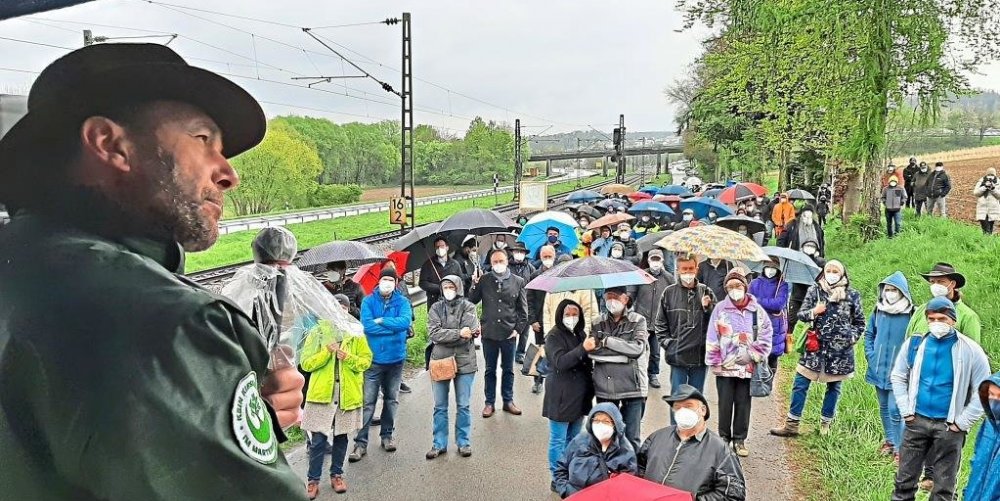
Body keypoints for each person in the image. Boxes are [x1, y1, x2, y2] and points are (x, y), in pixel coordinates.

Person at [0, 43, 309, 497]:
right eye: (203, 140)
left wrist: (224, 419)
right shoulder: (171, 325)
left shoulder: (22, 267)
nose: (228, 174)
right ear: (110, 144)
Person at [890, 297, 991, 501]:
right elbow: (898, 375)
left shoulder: (970, 350)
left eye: (942, 318)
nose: (937, 323)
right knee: (903, 483)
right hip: (916, 421)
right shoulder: (915, 345)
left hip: (948, 427)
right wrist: (906, 410)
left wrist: (962, 423)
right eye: (932, 318)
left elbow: (984, 390)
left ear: (953, 320)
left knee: (944, 489)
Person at [771, 260, 865, 438]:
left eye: (835, 270)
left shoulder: (852, 295)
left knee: (834, 387)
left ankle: (825, 426)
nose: (831, 273)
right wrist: (814, 311)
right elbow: (802, 314)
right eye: (828, 270)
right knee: (800, 383)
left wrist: (850, 338)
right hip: (814, 347)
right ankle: (791, 425)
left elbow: (860, 324)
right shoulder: (815, 291)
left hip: (839, 353)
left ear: (843, 274)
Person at [300, 311, 373, 498]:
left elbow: (366, 362)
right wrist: (326, 352)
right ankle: (313, 480)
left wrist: (347, 357)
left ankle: (337, 475)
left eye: (343, 308)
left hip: (347, 395)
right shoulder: (318, 332)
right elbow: (306, 364)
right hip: (322, 395)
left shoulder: (356, 333)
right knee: (318, 440)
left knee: (342, 438)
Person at [705, 270, 773, 457]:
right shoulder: (720, 309)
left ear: (744, 286)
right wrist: (715, 362)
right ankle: (724, 439)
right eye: (730, 287)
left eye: (738, 286)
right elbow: (712, 336)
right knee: (725, 404)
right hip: (726, 367)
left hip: (747, 367)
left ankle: (740, 439)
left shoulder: (756, 311)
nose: (734, 290)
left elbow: (766, 335)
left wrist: (754, 354)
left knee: (743, 404)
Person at [638, 385, 746, 500]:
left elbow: (732, 495)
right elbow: (638, 470)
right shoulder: (657, 438)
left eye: (688, 406)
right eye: (677, 407)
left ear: (703, 410)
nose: (682, 411)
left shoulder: (721, 451)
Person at [350, 269, 413, 462]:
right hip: (373, 360)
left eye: (391, 280)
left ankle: (387, 436)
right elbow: (367, 326)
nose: (387, 283)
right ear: (379, 282)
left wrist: (384, 321)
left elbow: (404, 322)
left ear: (395, 283)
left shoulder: (402, 302)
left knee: (391, 399)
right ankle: (360, 443)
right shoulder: (369, 301)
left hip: (395, 359)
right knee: (368, 403)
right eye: (384, 279)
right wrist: (392, 329)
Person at [543, 299, 597, 491]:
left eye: (575, 314)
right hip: (561, 395)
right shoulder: (553, 336)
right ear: (560, 315)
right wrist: (583, 348)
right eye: (568, 314)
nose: (572, 318)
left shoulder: (581, 333)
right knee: (558, 439)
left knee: (574, 439)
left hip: (580, 396)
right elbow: (560, 362)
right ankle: (557, 477)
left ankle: (570, 473)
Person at [468, 248, 529, 418]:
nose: (498, 264)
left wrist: (517, 330)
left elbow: (523, 311)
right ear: (491, 263)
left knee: (508, 369)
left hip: (509, 334)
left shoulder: (518, 281)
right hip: (489, 333)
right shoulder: (485, 280)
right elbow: (471, 300)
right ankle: (489, 402)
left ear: (507, 261)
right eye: (495, 262)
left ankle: (508, 401)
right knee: (490, 370)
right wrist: (474, 283)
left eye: (501, 261)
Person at [426, 275, 480, 460]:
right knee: (440, 406)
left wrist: (453, 334)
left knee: (463, 405)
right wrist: (458, 333)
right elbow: (434, 334)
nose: (448, 290)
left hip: (465, 361)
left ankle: (463, 442)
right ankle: (438, 443)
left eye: (451, 286)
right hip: (441, 360)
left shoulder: (469, 307)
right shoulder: (435, 308)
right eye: (445, 286)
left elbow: (470, 331)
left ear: (458, 287)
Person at [589, 287, 650, 450]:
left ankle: (632, 473)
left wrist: (607, 341)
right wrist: (623, 355)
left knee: (632, 438)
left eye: (615, 297)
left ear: (625, 299)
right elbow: (593, 351)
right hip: (605, 387)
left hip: (632, 386)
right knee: (605, 435)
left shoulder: (638, 320)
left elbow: (637, 349)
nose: (611, 301)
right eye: (608, 297)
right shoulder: (597, 322)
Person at [863, 272, 913, 461]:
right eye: (888, 289)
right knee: (884, 406)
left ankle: (901, 450)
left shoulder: (911, 312)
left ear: (903, 292)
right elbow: (869, 334)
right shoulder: (878, 310)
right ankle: (890, 441)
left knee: (895, 409)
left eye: (894, 290)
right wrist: (871, 355)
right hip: (878, 368)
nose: (890, 293)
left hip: (899, 372)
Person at [654, 254, 716, 397]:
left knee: (696, 398)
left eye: (691, 269)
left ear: (696, 269)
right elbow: (660, 323)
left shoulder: (706, 292)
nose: (688, 272)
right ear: (677, 270)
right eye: (684, 269)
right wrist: (669, 344)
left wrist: (708, 308)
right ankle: (675, 421)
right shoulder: (669, 293)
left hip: (700, 355)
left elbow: (717, 323)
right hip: (677, 355)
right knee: (678, 398)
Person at [552, 404, 638, 499]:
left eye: (606, 421)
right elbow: (561, 469)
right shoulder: (579, 441)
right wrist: (566, 491)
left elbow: (628, 486)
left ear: (615, 424)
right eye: (596, 420)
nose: (600, 425)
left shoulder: (625, 452)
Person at [627, 249, 672, 390]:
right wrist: (628, 306)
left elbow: (673, 298)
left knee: (655, 351)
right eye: (653, 259)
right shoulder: (641, 275)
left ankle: (653, 374)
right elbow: (631, 293)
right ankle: (635, 374)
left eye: (658, 259)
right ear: (649, 260)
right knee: (638, 349)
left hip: (659, 322)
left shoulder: (669, 278)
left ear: (662, 260)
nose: (655, 262)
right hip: (642, 320)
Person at [905, 263, 981, 344]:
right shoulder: (920, 310)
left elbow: (972, 351)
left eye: (941, 281)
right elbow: (908, 342)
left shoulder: (968, 316)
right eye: (932, 282)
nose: (935, 285)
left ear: (952, 284)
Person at [748, 257, 791, 371]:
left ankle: (769, 388)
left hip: (775, 329)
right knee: (756, 362)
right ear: (763, 267)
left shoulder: (782, 285)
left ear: (778, 269)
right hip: (757, 326)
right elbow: (748, 302)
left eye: (774, 268)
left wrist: (758, 301)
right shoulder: (754, 283)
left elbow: (779, 304)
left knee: (772, 365)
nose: (770, 270)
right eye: (768, 267)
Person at [963, 371, 1000, 501]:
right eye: (991, 395)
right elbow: (977, 460)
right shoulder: (988, 426)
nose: (994, 401)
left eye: (999, 396)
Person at [509, 243, 537, 364]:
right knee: (511, 328)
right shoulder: (507, 266)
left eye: (521, 252)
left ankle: (520, 352)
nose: (519, 254)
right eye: (517, 251)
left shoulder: (530, 268)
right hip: (510, 302)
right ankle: (510, 352)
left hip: (525, 302)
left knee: (524, 330)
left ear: (525, 254)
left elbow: (535, 283)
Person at [419, 236, 462, 310]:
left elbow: (461, 281)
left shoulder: (455, 264)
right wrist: (439, 288)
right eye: (437, 247)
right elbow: (423, 283)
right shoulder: (428, 264)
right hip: (434, 303)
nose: (440, 249)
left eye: (442, 246)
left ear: (447, 247)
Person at [973, 167, 1000, 235]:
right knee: (986, 229)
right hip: (982, 209)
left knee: (990, 229)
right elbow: (976, 193)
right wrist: (984, 186)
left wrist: (993, 189)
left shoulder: (998, 182)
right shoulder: (981, 181)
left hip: (993, 209)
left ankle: (987, 244)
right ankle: (986, 243)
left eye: (992, 175)